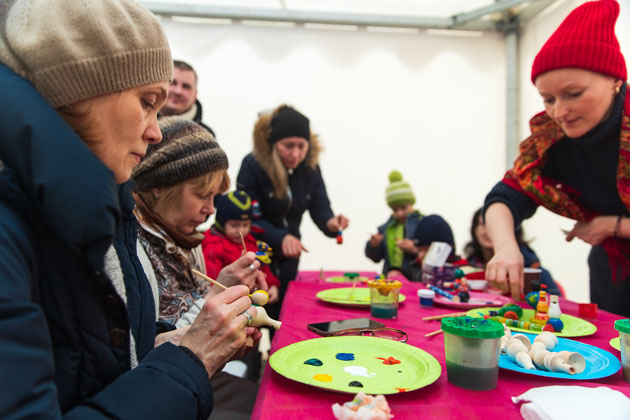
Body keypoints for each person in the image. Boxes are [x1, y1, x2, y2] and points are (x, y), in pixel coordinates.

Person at [0, 1, 255, 418]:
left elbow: (101, 358)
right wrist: (188, 361)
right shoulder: (15, 233)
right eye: (146, 101)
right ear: (78, 91)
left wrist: (169, 343)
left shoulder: (103, 214)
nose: (155, 132)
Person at [483, 0, 630, 315]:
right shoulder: (552, 141)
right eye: (547, 99)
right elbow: (505, 195)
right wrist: (507, 248)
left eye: (573, 94)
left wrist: (613, 226)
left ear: (616, 80)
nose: (559, 112)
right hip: (613, 271)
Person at [132, 117, 262, 419]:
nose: (212, 209)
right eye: (202, 195)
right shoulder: (136, 248)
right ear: (160, 188)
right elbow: (148, 353)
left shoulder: (184, 240)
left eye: (215, 196)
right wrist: (217, 293)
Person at [237, 104, 349, 300]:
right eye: (288, 146)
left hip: (290, 256)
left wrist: (330, 223)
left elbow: (320, 205)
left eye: (301, 146)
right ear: (273, 144)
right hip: (257, 255)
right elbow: (247, 217)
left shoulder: (310, 168)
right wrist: (282, 237)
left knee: (284, 309)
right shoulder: (252, 165)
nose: (295, 154)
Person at [202, 190, 281, 304]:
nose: (241, 231)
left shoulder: (249, 240)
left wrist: (271, 285)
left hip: (253, 299)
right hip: (229, 304)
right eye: (234, 225)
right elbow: (214, 284)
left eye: (245, 225)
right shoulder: (213, 247)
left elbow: (261, 265)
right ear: (221, 223)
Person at [464, 208, 561, 296]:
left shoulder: (533, 271)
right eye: (483, 224)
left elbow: (556, 303)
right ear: (475, 230)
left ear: (512, 231)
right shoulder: (468, 266)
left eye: (498, 226)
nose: (489, 231)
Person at [365, 170, 423, 279]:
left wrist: (415, 250)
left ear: (411, 203)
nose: (400, 213)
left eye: (403, 208)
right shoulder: (386, 228)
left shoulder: (423, 224)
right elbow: (376, 257)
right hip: (390, 281)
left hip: (414, 280)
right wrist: (373, 245)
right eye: (395, 210)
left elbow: (433, 255)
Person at [160, 60, 216, 137]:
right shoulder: (139, 124)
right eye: (173, 83)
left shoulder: (206, 135)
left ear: (195, 95)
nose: (178, 91)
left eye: (186, 87)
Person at [404, 215, 457, 282]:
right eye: (419, 250)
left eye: (427, 250)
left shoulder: (459, 271)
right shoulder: (414, 269)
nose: (421, 255)